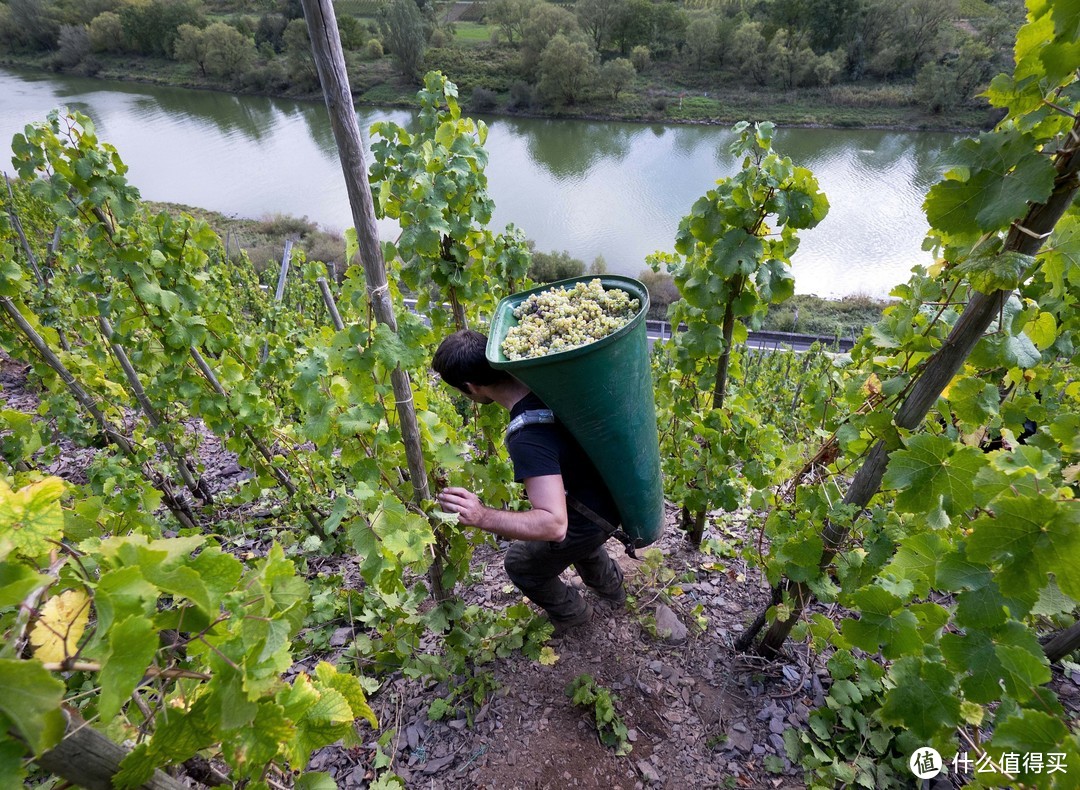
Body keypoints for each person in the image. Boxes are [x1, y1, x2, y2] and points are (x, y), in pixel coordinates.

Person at [432, 329, 626, 633]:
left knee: (521, 563)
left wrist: (481, 516)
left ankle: (575, 617)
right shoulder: (548, 381)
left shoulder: (527, 437)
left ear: (470, 387)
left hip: (592, 513)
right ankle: (613, 589)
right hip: (615, 493)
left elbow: (554, 524)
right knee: (577, 539)